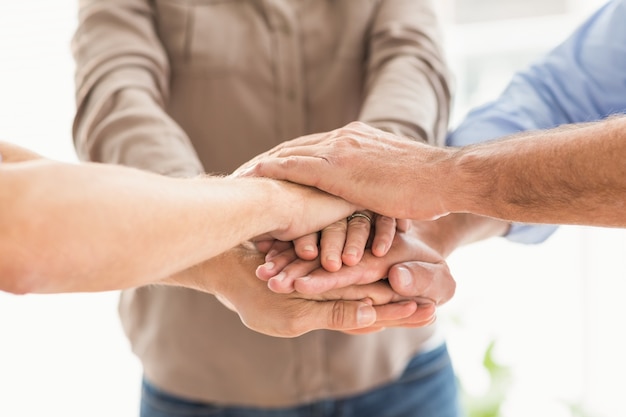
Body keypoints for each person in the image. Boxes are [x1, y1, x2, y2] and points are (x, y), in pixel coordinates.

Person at [71, 0, 469, 416]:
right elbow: (116, 100)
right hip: (205, 380)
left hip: (396, 367)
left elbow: (413, 62)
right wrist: (214, 232)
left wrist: (376, 177)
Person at [243, 0, 626, 234]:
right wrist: (432, 223)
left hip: (405, 353)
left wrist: (433, 176)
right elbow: (558, 98)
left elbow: (412, 57)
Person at [0, 140, 438, 337]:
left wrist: (372, 183)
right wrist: (277, 201)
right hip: (197, 370)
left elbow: (13, 174)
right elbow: (22, 224)